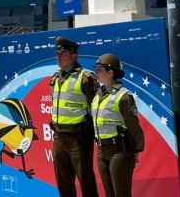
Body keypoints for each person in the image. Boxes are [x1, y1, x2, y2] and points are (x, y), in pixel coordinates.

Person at [50, 36, 98, 197]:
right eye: (57, 54)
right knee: (63, 183)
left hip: (79, 138)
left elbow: (97, 108)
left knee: (86, 182)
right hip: (59, 137)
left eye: (62, 54)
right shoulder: (56, 78)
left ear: (73, 56)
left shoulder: (86, 78)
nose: (58, 57)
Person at [91, 54, 145, 197]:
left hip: (119, 151)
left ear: (110, 73)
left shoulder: (124, 96)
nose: (96, 72)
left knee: (121, 194)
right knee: (109, 194)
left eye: (99, 69)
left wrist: (136, 149)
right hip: (101, 151)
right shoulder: (98, 95)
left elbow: (133, 126)